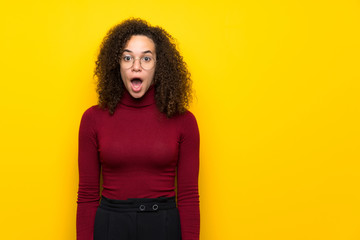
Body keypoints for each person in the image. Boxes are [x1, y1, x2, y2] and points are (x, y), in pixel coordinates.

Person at [76, 18, 200, 240]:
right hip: (110, 226)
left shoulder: (184, 121)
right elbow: (87, 196)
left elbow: (189, 197)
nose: (136, 66)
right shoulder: (92, 119)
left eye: (146, 58)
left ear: (158, 65)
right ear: (117, 64)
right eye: (127, 57)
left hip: (164, 226)